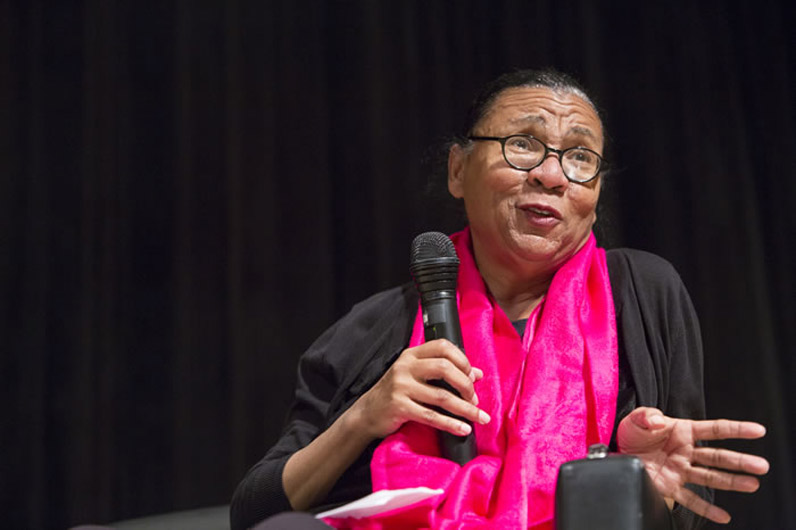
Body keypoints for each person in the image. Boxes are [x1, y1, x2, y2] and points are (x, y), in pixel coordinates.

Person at [230, 69, 769, 530]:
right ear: (458, 170)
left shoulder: (644, 291)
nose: (552, 175)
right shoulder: (378, 327)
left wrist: (643, 481)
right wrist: (367, 413)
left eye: (580, 157)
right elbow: (255, 513)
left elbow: (691, 511)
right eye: (524, 145)